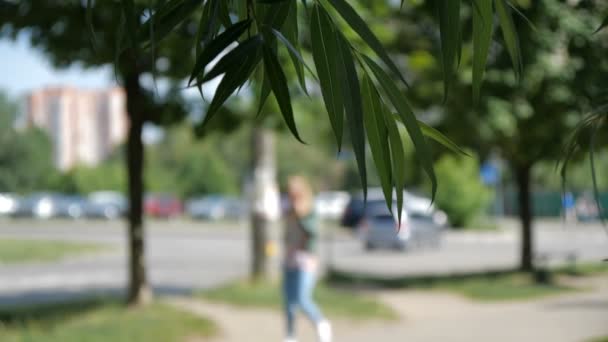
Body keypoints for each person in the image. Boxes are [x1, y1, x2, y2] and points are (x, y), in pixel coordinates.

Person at [282, 176, 332, 342]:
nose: (292, 198)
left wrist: (300, 215)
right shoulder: (289, 212)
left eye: (295, 194)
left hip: (306, 260)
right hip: (290, 259)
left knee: (303, 298)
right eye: (290, 194)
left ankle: (321, 323)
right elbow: (287, 235)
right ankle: (290, 335)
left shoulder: (310, 211)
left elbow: (313, 232)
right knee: (289, 301)